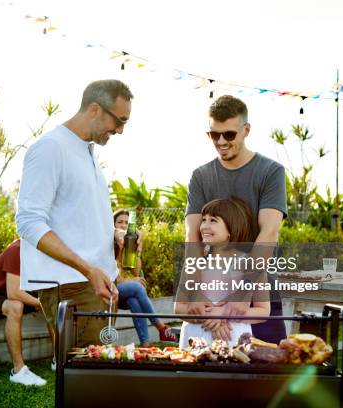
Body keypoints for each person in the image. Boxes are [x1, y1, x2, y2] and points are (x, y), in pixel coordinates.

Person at [17, 79, 134, 348]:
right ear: (94, 109)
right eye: (119, 121)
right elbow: (28, 222)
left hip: (97, 282)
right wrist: (87, 269)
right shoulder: (50, 148)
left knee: (96, 377)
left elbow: (79, 217)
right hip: (73, 284)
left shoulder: (87, 150)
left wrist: (114, 235)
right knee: (85, 380)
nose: (120, 130)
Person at [185, 95, 287, 344]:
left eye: (229, 134)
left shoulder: (270, 172)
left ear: (246, 130)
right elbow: (193, 236)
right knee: (207, 370)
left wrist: (244, 290)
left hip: (257, 288)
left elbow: (269, 233)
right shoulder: (201, 176)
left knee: (268, 372)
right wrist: (195, 290)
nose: (221, 141)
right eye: (214, 135)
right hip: (211, 288)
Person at [175, 198, 270, 347]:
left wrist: (223, 314)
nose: (204, 226)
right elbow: (179, 308)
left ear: (232, 229)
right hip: (194, 337)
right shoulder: (193, 262)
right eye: (203, 220)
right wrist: (210, 319)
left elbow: (263, 311)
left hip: (233, 339)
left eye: (213, 220)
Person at [0, 239, 50, 386]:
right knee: (16, 306)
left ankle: (58, 360)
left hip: (4, 295)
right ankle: (18, 371)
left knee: (52, 301)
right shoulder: (17, 249)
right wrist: (41, 303)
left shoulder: (41, 253)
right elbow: (14, 293)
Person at [113, 209, 177, 346]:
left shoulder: (129, 244)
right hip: (110, 289)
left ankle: (146, 345)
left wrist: (137, 250)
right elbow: (116, 279)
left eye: (126, 222)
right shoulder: (109, 245)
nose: (123, 225)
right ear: (113, 225)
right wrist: (132, 281)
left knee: (134, 301)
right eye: (120, 222)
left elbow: (136, 272)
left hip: (123, 293)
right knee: (136, 286)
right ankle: (161, 327)